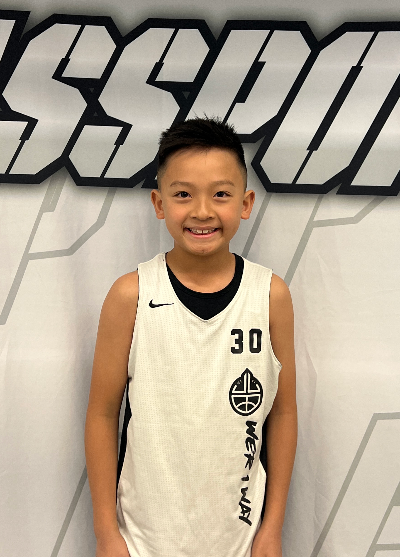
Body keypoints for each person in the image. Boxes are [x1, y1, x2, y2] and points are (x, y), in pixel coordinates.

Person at [85, 116, 297, 557]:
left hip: (239, 539)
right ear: (159, 203)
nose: (202, 211)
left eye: (220, 194)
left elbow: (283, 413)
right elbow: (103, 415)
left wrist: (272, 529)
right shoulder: (131, 294)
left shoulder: (269, 295)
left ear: (245, 203)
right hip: (143, 539)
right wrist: (106, 533)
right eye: (183, 194)